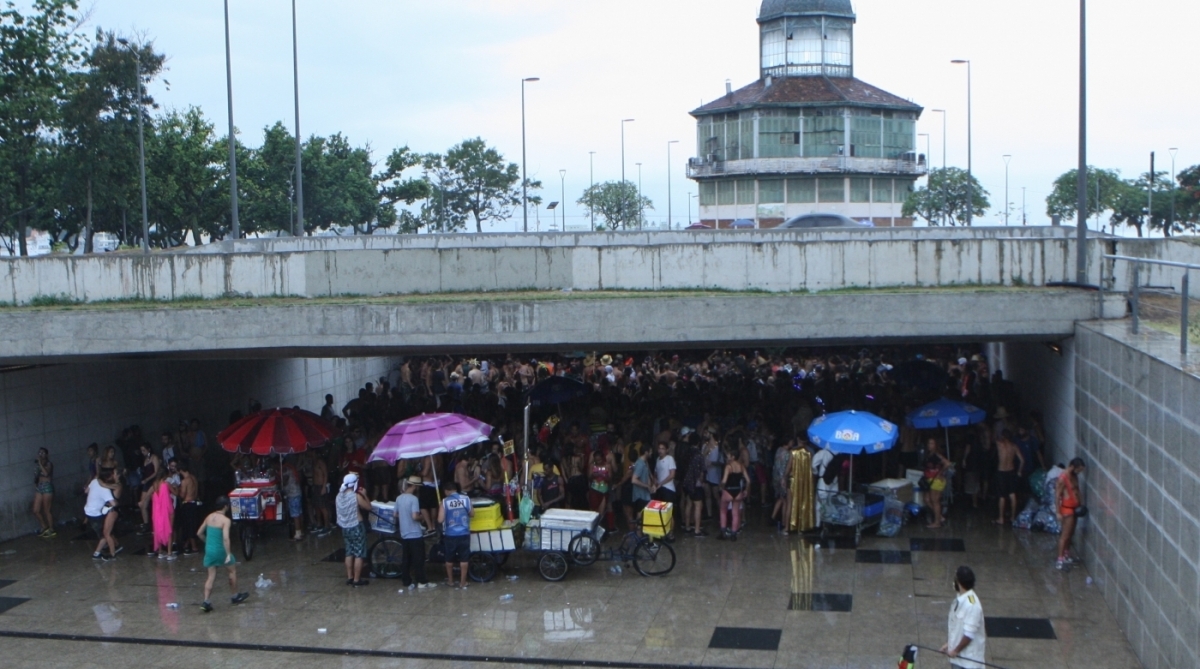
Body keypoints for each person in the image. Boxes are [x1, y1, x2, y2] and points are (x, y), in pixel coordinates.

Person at [198, 496, 249, 612]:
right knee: (232, 571)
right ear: (226, 506)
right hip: (221, 550)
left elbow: (199, 533)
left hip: (209, 550)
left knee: (210, 577)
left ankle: (206, 601)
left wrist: (208, 543)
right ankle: (235, 596)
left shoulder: (209, 517)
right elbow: (226, 538)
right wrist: (228, 553)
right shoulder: (226, 520)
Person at [942, 565, 987, 669]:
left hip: (968, 663)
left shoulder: (972, 605)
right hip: (959, 660)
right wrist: (949, 644)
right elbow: (958, 628)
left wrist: (955, 651)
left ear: (959, 582)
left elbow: (969, 635)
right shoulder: (962, 598)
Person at [396, 476, 435, 590]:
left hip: (404, 532)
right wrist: (422, 517)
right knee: (419, 559)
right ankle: (421, 581)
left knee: (406, 559)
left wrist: (404, 516)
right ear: (414, 486)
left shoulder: (399, 498)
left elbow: (395, 514)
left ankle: (406, 580)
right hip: (415, 533)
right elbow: (414, 516)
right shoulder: (414, 499)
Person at [335, 472, 372, 587]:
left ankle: (350, 577)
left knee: (349, 552)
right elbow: (368, 507)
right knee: (359, 554)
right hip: (356, 526)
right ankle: (357, 580)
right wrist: (365, 495)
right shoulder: (356, 496)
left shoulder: (339, 496)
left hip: (345, 528)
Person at [438, 480, 474, 588]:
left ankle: (450, 581)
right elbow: (472, 514)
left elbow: (440, 520)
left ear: (446, 491)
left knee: (449, 559)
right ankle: (463, 582)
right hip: (464, 533)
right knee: (464, 558)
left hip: (450, 534)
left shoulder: (444, 502)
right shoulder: (466, 499)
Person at [1055, 457, 1086, 570]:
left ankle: (1066, 554)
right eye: (1078, 470)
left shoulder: (1074, 476)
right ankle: (1060, 560)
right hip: (1067, 509)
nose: (1079, 472)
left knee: (1071, 533)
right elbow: (1057, 496)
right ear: (1072, 467)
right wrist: (1058, 512)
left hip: (1075, 508)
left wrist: (1081, 504)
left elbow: (1077, 490)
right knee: (1065, 535)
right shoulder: (1063, 478)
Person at [84, 468, 121, 560]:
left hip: (89, 511)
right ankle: (109, 553)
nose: (117, 475)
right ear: (109, 476)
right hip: (97, 513)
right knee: (106, 534)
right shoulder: (105, 489)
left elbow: (86, 491)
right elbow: (114, 503)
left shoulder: (95, 481)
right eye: (115, 474)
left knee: (106, 533)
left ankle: (101, 552)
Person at [993, 430, 1025, 526]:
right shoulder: (1014, 446)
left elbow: (993, 437)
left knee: (1002, 496)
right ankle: (1012, 517)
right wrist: (1019, 471)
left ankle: (1001, 518)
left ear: (1003, 437)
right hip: (1011, 471)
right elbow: (1022, 460)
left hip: (1001, 472)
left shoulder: (999, 444)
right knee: (1012, 494)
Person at [718, 446, 748, 540]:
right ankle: (734, 534)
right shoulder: (741, 466)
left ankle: (723, 533)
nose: (727, 457)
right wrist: (746, 490)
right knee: (736, 513)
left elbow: (724, 481)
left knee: (723, 511)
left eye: (728, 455)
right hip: (738, 491)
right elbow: (748, 480)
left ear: (733, 457)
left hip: (728, 490)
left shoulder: (728, 466)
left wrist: (721, 487)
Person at [175, 460, 203, 555]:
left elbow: (182, 495)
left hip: (188, 504)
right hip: (195, 503)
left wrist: (177, 489)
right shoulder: (193, 478)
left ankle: (194, 547)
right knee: (193, 524)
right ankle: (187, 544)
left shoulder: (185, 481)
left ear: (180, 470)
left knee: (189, 526)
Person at [923, 438, 952, 529]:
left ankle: (937, 522)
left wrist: (940, 473)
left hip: (936, 480)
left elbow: (948, 463)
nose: (929, 445)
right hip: (930, 479)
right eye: (929, 443)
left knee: (935, 501)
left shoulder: (936, 455)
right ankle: (939, 517)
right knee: (927, 499)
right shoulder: (929, 454)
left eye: (932, 443)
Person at [149, 470, 175, 560]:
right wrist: (176, 487)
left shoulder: (154, 484)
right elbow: (175, 493)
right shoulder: (166, 484)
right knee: (169, 530)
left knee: (158, 530)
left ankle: (160, 552)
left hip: (156, 511)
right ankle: (169, 553)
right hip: (166, 510)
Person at [33, 447, 55, 538]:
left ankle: (51, 529)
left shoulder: (49, 464)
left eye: (43, 453)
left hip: (47, 487)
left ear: (46, 455)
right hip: (39, 487)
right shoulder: (37, 466)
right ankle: (44, 526)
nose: (41, 454)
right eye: (39, 453)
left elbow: (46, 473)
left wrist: (40, 464)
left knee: (46, 510)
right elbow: (36, 477)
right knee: (35, 510)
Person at [652, 441, 677, 505]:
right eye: (659, 448)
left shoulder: (669, 459)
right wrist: (655, 483)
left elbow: (672, 475)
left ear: (667, 450)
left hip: (668, 489)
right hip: (659, 489)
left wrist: (661, 483)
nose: (660, 451)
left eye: (662, 449)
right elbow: (655, 474)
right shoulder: (657, 459)